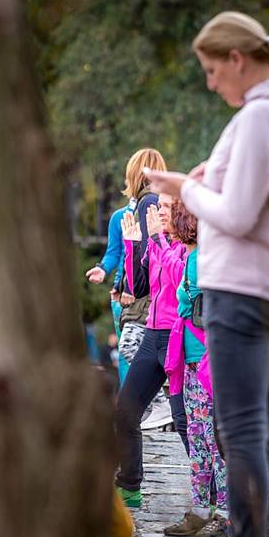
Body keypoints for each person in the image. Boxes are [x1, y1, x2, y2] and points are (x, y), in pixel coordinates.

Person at [146, 11, 269, 537]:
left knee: (245, 431)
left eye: (210, 70)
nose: (210, 83)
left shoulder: (260, 118)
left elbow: (236, 213)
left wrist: (187, 190)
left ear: (236, 59)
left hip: (248, 296)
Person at [160, 199, 229, 537]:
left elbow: (189, 302)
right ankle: (203, 509)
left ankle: (224, 514)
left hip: (206, 360)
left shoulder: (203, 257)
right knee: (200, 438)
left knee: (213, 441)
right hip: (191, 359)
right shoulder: (192, 256)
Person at [115, 193, 189, 508]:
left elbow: (177, 279)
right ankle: (129, 487)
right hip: (152, 335)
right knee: (125, 411)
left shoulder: (188, 247)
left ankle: (214, 495)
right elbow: (139, 286)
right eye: (158, 208)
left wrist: (157, 239)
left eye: (166, 208)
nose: (159, 213)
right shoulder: (158, 243)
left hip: (178, 339)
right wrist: (133, 245)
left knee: (185, 422)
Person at [86, 148, 168, 384]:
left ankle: (148, 407)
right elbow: (114, 252)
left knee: (145, 354)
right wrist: (102, 268)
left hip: (147, 292)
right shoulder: (119, 217)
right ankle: (131, 406)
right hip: (124, 294)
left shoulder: (160, 212)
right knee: (126, 355)